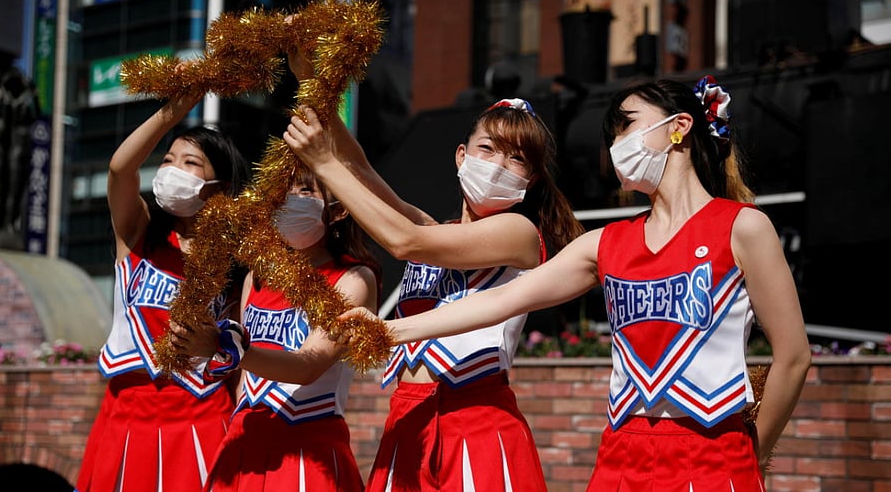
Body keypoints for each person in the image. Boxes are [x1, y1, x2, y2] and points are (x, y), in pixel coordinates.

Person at [331, 76, 812, 491]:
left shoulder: (743, 226)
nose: (615, 143)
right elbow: (505, 298)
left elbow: (793, 356)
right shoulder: (606, 242)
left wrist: (751, 454)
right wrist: (387, 331)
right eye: (611, 135)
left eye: (626, 124)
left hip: (714, 452)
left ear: (679, 127)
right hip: (620, 453)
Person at [284, 94, 584, 491]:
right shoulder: (435, 230)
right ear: (461, 156)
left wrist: (323, 164)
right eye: (487, 149)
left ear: (530, 180)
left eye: (516, 158)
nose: (497, 166)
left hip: (477, 422)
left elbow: (403, 242)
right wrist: (316, 86)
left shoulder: (519, 233)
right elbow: (361, 169)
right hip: (408, 418)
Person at [75, 88, 250, 492]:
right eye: (168, 159)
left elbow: (239, 349)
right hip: (124, 414)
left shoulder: (237, 260)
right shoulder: (137, 232)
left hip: (201, 414)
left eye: (190, 162)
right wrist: (175, 109)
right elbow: (121, 169)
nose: (172, 169)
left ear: (218, 187)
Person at [169, 164, 380, 491]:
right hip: (242, 444)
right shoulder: (257, 275)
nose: (290, 200)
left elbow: (308, 366)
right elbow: (243, 381)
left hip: (308, 448)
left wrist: (226, 347)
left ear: (337, 211)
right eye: (284, 190)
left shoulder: (354, 279)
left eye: (306, 191)